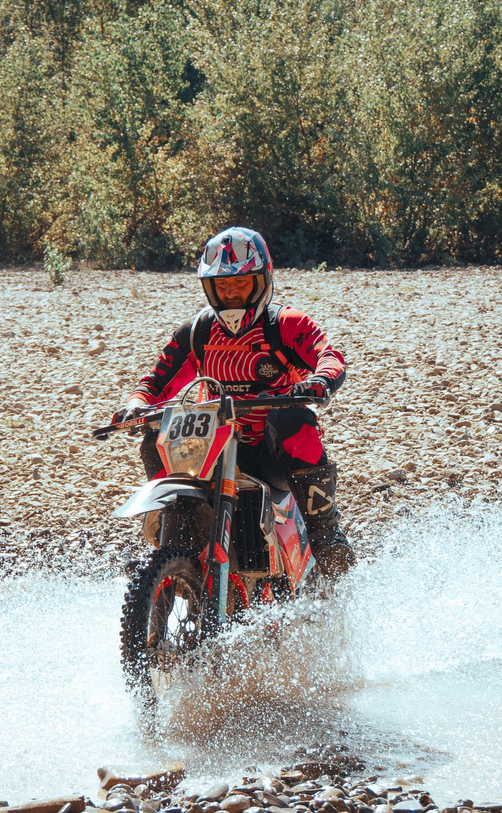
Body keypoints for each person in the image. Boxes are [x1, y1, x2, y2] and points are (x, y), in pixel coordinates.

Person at [111, 226, 354, 573]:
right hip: (213, 445)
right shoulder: (196, 332)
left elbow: (328, 356)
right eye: (222, 286)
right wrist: (135, 405)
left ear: (262, 281)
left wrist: (319, 381)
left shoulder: (287, 324)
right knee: (156, 436)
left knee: (292, 419)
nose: (232, 294)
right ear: (209, 288)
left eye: (240, 284)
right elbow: (156, 381)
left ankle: (325, 531)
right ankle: (175, 546)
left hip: (272, 454)